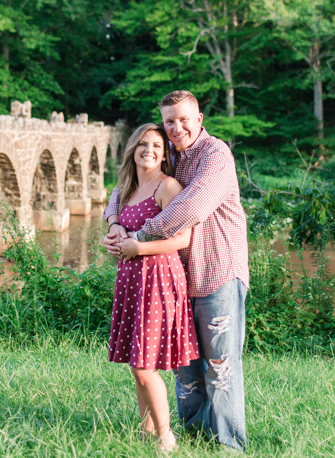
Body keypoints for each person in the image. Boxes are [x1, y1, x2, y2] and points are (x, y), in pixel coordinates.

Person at [104, 90, 249, 451]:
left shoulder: (215, 155)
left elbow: (190, 208)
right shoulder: (171, 154)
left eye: (183, 119)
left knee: (220, 366)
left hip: (217, 273)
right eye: (170, 121)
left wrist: (136, 236)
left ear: (199, 119)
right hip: (178, 278)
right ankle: (195, 434)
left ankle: (227, 443)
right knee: (186, 366)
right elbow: (126, 187)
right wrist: (113, 222)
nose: (176, 127)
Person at [105, 123, 200, 453]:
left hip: (158, 280)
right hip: (131, 280)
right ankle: (147, 432)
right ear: (133, 148)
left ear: (164, 154)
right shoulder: (127, 188)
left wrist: (138, 248)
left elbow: (183, 238)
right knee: (137, 365)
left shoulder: (168, 187)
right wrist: (114, 232)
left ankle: (166, 437)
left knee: (145, 367)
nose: (149, 150)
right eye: (143, 144)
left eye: (157, 146)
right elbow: (116, 214)